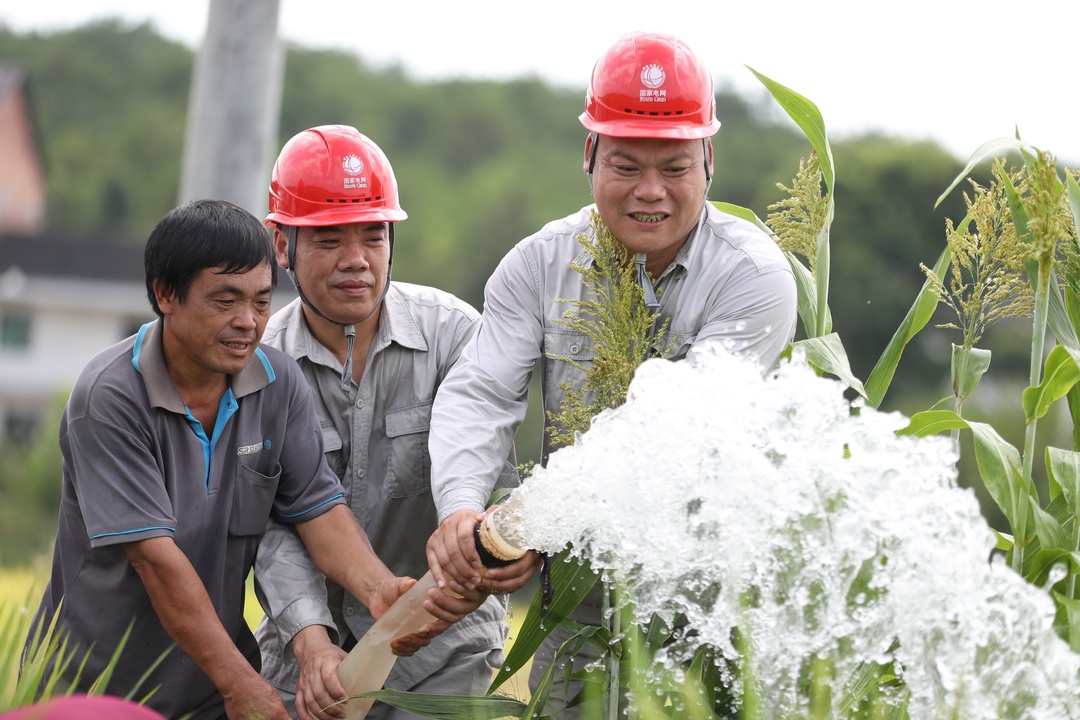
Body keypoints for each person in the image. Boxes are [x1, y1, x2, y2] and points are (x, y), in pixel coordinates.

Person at [424, 31, 799, 716]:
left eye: (675, 167)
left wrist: (527, 523)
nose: (649, 193)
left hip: (709, 605)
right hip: (580, 606)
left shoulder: (753, 278)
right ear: (589, 155)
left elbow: (673, 433)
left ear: (709, 161)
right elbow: (480, 395)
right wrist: (462, 514)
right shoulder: (537, 265)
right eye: (626, 165)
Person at [24, 199, 456, 720]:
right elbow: (155, 562)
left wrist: (379, 588)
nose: (247, 322)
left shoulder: (276, 381)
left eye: (260, 301)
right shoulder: (110, 397)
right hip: (95, 691)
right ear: (166, 295)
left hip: (208, 692)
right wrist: (243, 684)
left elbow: (318, 511)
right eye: (224, 301)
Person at [253, 125, 529, 720]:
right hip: (310, 656)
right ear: (282, 244)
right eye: (328, 239)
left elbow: (492, 480)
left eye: (373, 235)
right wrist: (310, 642)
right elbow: (270, 527)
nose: (356, 260)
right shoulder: (258, 363)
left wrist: (494, 560)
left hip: (443, 650)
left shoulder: (456, 335)